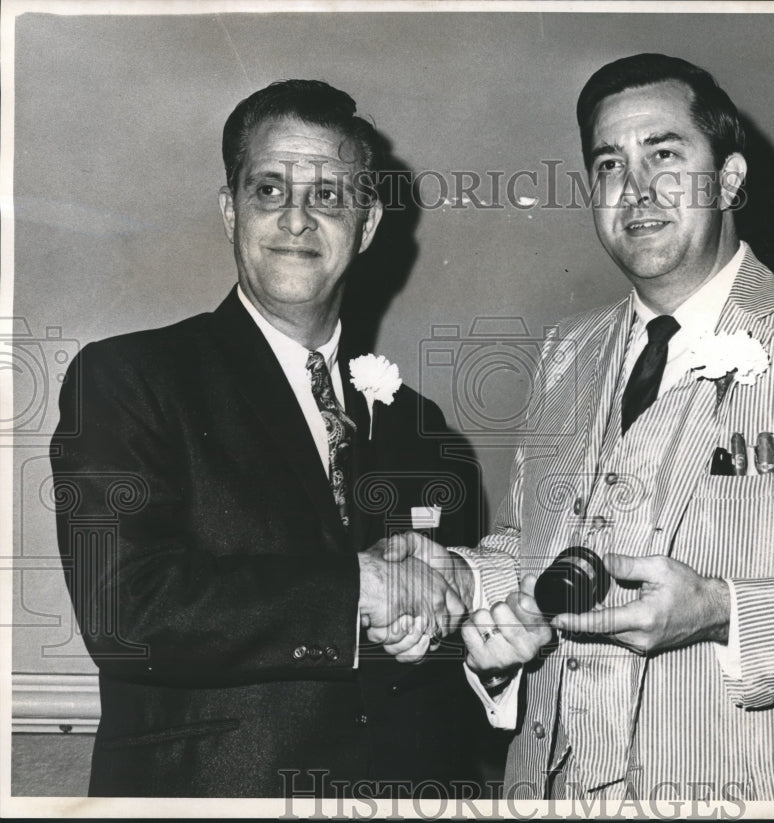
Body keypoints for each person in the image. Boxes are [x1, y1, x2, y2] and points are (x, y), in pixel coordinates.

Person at [390, 53, 774, 801]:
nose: (635, 188)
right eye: (609, 164)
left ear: (731, 179)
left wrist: (723, 612)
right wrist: (470, 576)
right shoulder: (565, 352)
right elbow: (543, 549)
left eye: (664, 155)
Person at [49, 79, 489, 798]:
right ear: (230, 210)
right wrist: (363, 587)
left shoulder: (422, 429)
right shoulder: (129, 378)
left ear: (368, 222)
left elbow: (441, 654)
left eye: (328, 195)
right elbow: (122, 609)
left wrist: (460, 630)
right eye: (269, 191)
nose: (296, 220)